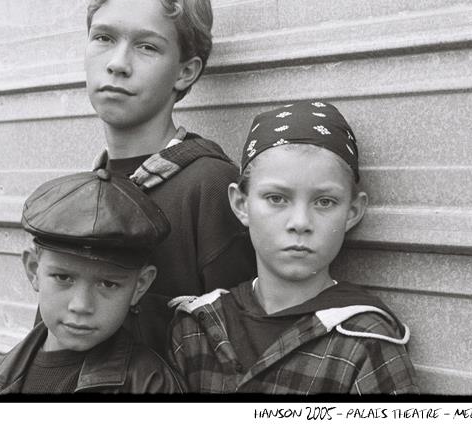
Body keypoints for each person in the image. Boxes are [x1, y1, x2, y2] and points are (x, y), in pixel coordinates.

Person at [31, 0, 257, 356]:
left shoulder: (209, 187)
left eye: (146, 46)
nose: (118, 63)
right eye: (103, 37)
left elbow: (238, 354)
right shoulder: (86, 194)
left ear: (185, 72)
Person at [168, 101, 419, 394]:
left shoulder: (366, 342)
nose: (300, 223)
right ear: (241, 204)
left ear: (352, 211)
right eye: (276, 198)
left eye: (324, 202)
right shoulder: (196, 326)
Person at [0, 170, 184, 394]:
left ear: (140, 285)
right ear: (34, 269)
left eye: (107, 284)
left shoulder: (149, 385)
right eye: (63, 277)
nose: (81, 305)